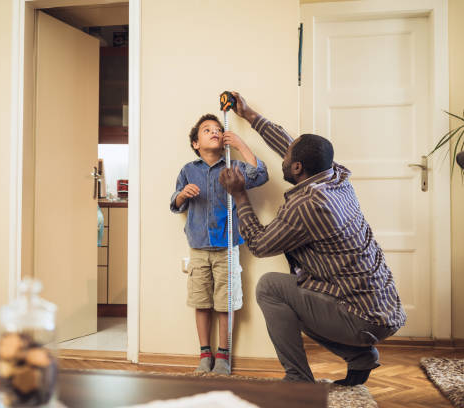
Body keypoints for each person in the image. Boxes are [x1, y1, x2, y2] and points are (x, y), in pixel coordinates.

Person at [219, 92, 406, 385]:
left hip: (361, 316)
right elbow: (292, 146)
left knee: (270, 288)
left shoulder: (309, 205)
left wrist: (240, 195)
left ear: (296, 168)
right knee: (297, 292)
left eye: (289, 156)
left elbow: (258, 245)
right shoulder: (335, 176)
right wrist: (249, 114)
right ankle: (360, 357)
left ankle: (298, 380)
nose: (284, 155)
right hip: (381, 307)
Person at [171, 113, 268, 375]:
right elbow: (174, 203)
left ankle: (223, 356)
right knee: (201, 302)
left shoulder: (233, 167)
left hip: (228, 247)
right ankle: (205, 354)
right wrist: (182, 195)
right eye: (206, 130)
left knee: (224, 303)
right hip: (199, 248)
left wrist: (240, 145)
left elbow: (260, 175)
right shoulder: (188, 171)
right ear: (195, 143)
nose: (214, 132)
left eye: (217, 129)